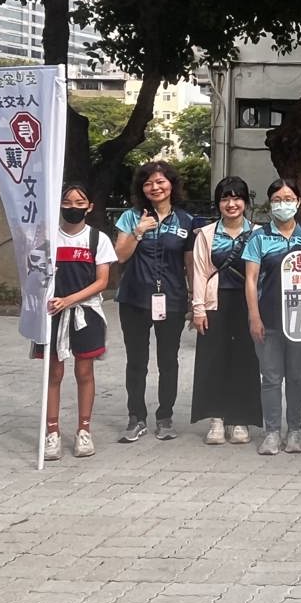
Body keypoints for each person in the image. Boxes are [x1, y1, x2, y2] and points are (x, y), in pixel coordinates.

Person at [114, 160, 194, 443]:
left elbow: (190, 264)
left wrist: (194, 299)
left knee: (168, 360)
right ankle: (136, 417)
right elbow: (120, 255)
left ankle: (165, 416)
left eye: (160, 181)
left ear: (171, 184)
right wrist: (139, 231)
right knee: (137, 361)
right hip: (134, 298)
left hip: (171, 299)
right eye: (148, 183)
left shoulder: (186, 221)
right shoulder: (131, 216)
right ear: (142, 188)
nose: (155, 187)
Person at [40, 181, 117, 460]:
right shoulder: (48, 238)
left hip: (85, 314)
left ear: (89, 207)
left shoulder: (98, 239)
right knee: (54, 373)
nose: (73, 207)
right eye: (67, 202)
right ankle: (52, 433)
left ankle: (84, 430)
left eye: (79, 203)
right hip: (53, 313)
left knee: (84, 372)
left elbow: (102, 282)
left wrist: (69, 300)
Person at [243, 178, 301, 455]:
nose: (283, 204)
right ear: (270, 203)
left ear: (298, 202)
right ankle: (272, 432)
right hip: (269, 318)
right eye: (277, 200)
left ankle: (294, 431)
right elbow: (251, 280)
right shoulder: (259, 237)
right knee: (271, 378)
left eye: (288, 199)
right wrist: (254, 316)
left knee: (296, 376)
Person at [189, 176, 262, 446]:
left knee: (245, 360)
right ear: (218, 203)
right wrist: (198, 309)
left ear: (245, 202)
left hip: (248, 304)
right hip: (214, 303)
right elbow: (199, 272)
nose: (231, 204)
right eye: (225, 198)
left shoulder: (258, 233)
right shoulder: (206, 234)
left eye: (237, 198)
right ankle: (216, 418)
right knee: (212, 361)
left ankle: (240, 418)